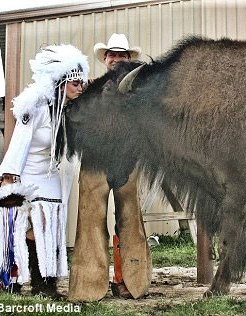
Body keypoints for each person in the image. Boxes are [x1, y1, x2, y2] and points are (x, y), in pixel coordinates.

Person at [0, 44, 89, 298]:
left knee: (49, 225)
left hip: (52, 176)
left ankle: (45, 284)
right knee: (26, 227)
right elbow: (20, 141)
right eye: (75, 82)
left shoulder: (70, 111)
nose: (80, 87)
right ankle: (17, 279)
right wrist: (10, 177)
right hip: (27, 174)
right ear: (61, 83)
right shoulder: (38, 107)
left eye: (81, 82)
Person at [69, 33, 151, 301]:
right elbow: (74, 118)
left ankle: (130, 281)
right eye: (111, 55)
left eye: (121, 55)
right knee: (90, 219)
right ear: (105, 59)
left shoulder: (140, 90)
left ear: (128, 58)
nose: (116, 59)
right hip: (94, 161)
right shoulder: (88, 87)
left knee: (130, 219)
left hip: (126, 160)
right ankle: (88, 286)